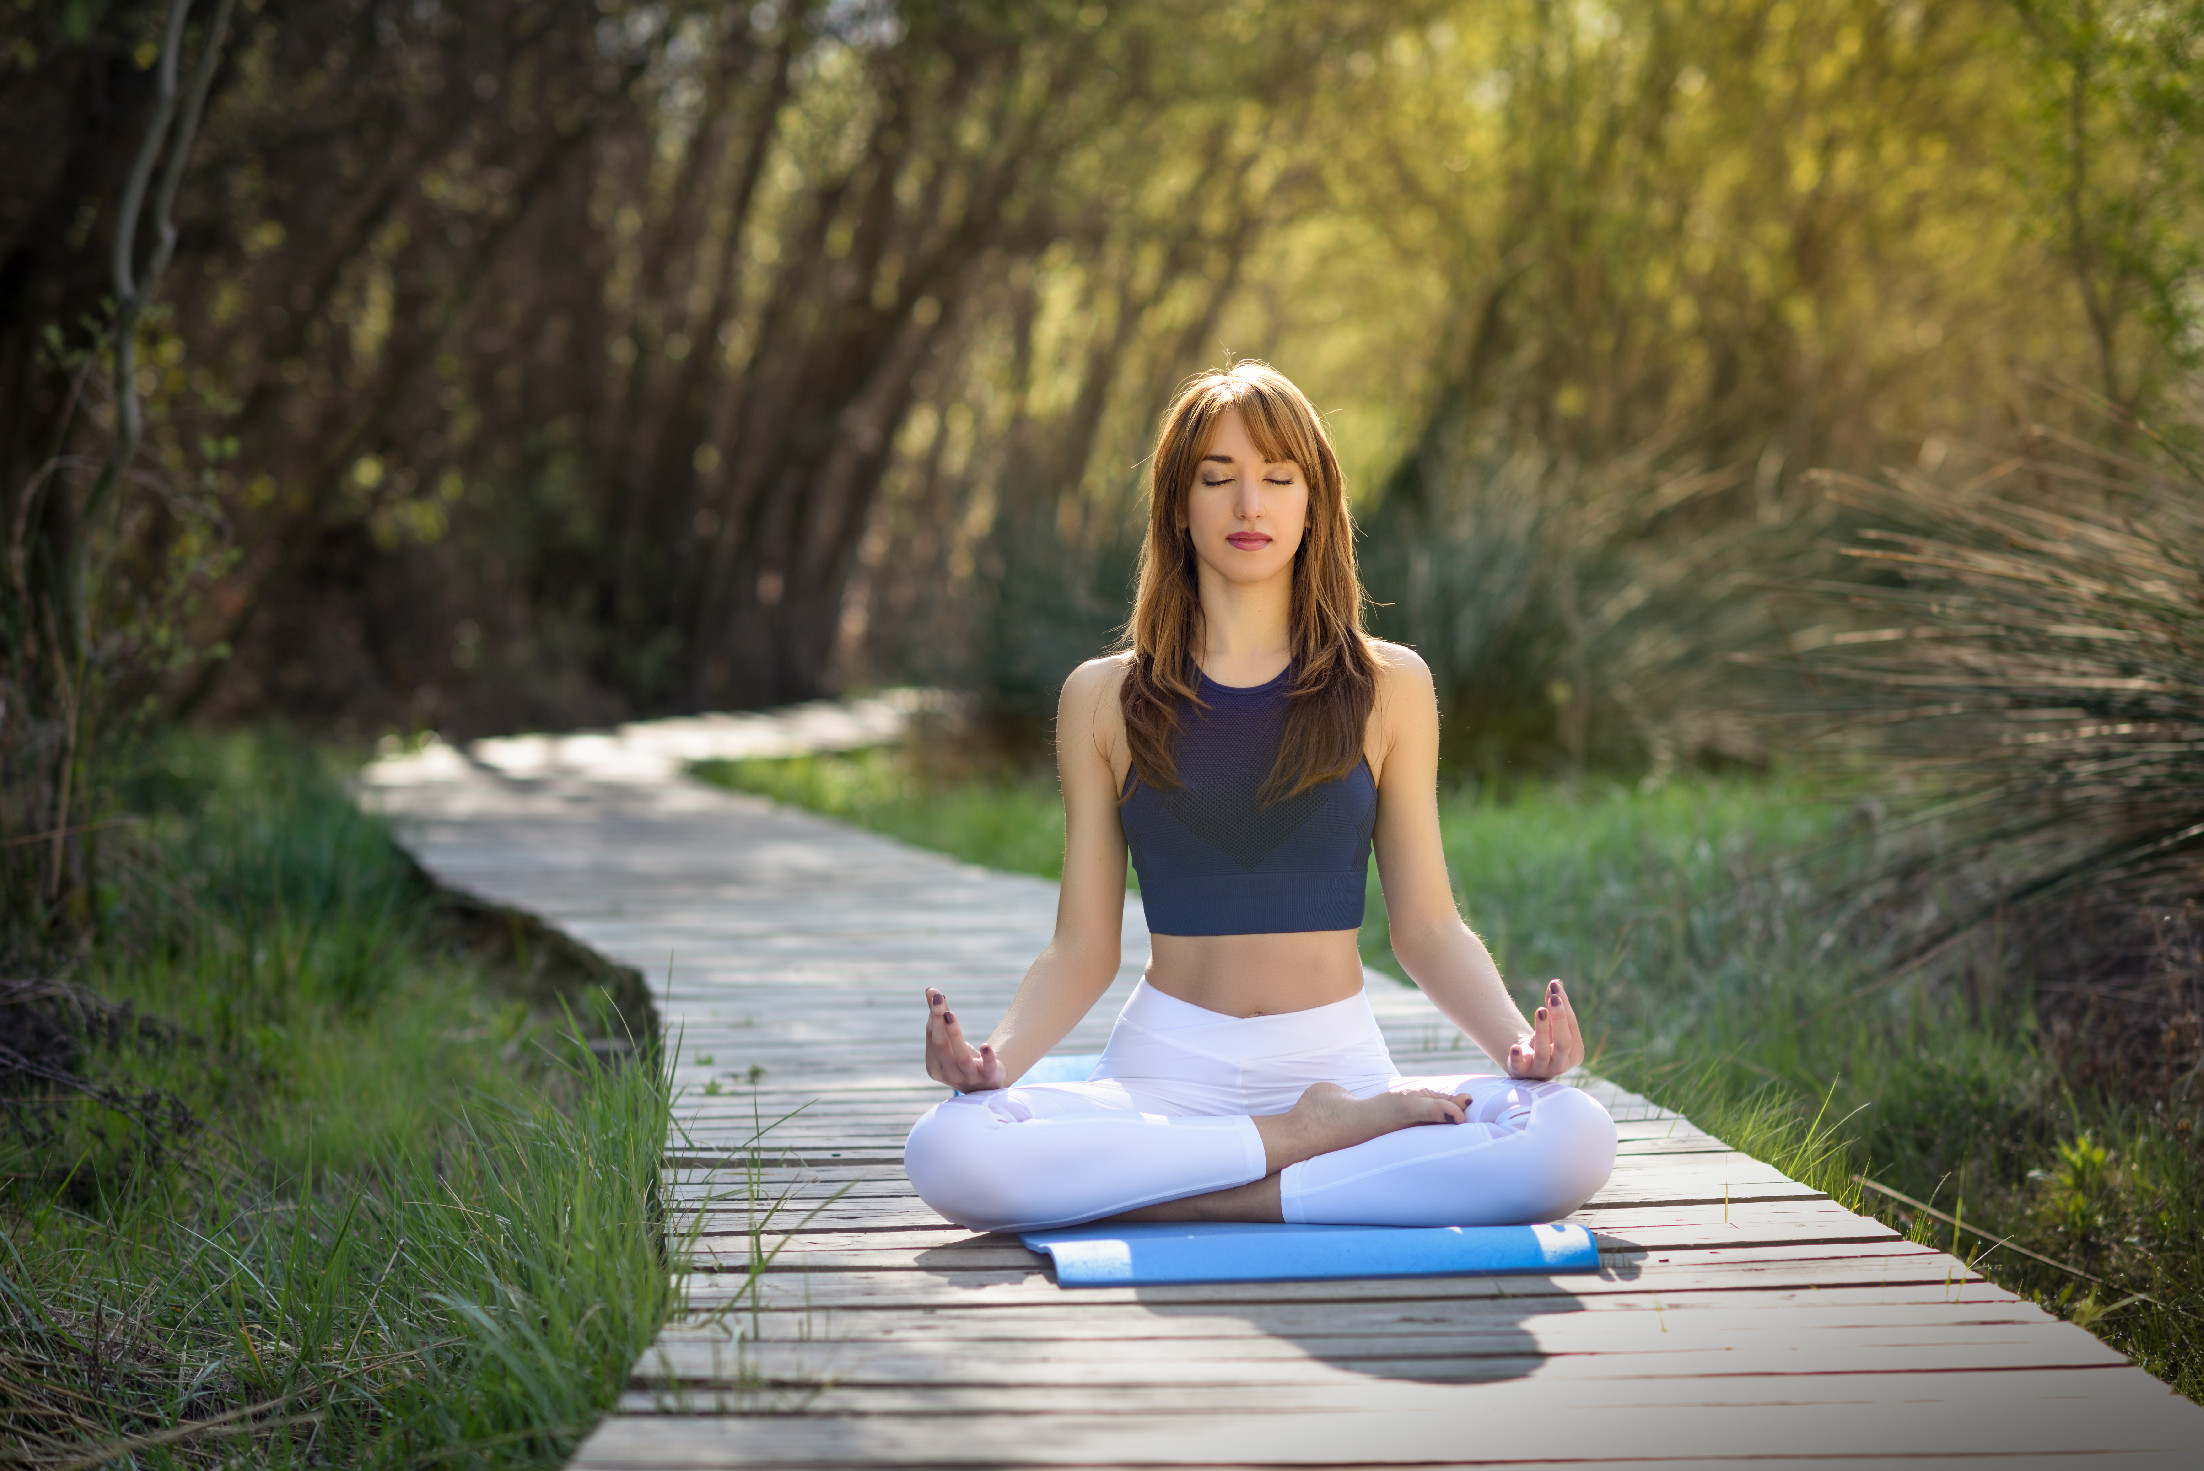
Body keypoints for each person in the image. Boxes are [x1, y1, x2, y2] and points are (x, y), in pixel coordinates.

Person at [904, 362, 1616, 1234]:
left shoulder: (1390, 685)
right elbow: (1083, 947)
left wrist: (1519, 1047)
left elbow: (1426, 928)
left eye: (1279, 479)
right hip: (1166, 1070)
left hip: (1338, 1063)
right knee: (946, 1150)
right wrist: (993, 1061)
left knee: (1574, 1134)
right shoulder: (1100, 696)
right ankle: (1295, 1144)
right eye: (1219, 480)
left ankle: (1190, 1189)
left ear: (1315, 504)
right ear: (1178, 504)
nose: (1250, 506)